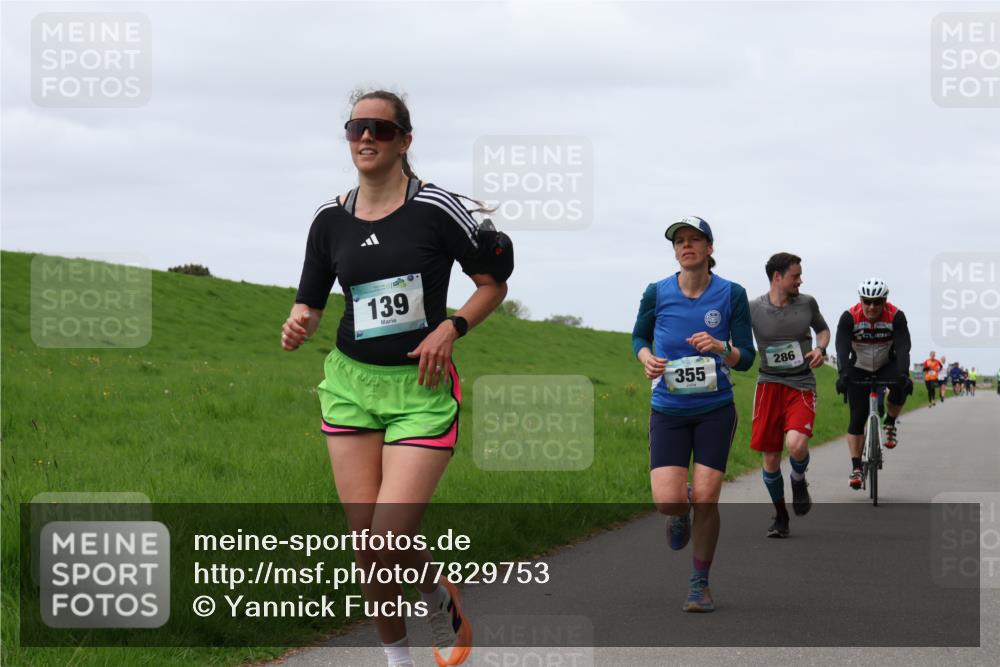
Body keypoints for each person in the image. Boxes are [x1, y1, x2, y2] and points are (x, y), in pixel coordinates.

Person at [284, 89, 511, 667]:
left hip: (421, 389)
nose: (366, 137)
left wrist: (451, 328)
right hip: (350, 385)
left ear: (405, 141)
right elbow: (310, 301)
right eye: (356, 127)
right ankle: (399, 660)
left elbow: (492, 283)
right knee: (368, 549)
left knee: (387, 539)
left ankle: (435, 593)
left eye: (381, 130)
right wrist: (299, 321)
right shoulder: (329, 218)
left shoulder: (436, 208)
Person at [632, 216, 756, 612]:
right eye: (679, 241)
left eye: (694, 240)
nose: (686, 246)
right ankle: (678, 511)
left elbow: (747, 358)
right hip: (667, 409)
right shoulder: (656, 292)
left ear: (709, 249)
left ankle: (699, 583)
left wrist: (722, 348)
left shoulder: (731, 293)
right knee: (669, 502)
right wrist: (646, 357)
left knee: (707, 498)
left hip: (715, 408)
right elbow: (638, 336)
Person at [748, 253, 830, 538]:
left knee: (796, 444)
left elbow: (822, 330)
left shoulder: (807, 303)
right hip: (768, 385)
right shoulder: (753, 308)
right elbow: (738, 341)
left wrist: (820, 350)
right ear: (777, 277)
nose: (800, 280)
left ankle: (798, 478)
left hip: (801, 384)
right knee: (770, 458)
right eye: (795, 275)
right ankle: (780, 514)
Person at [835, 278, 912, 489]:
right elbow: (841, 347)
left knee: (900, 384)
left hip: (886, 363)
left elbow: (904, 347)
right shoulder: (849, 316)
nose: (871, 307)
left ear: (885, 300)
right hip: (858, 365)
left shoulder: (896, 316)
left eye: (877, 302)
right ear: (860, 299)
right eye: (867, 301)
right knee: (857, 417)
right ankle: (856, 467)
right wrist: (842, 374)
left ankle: (890, 422)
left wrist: (904, 374)